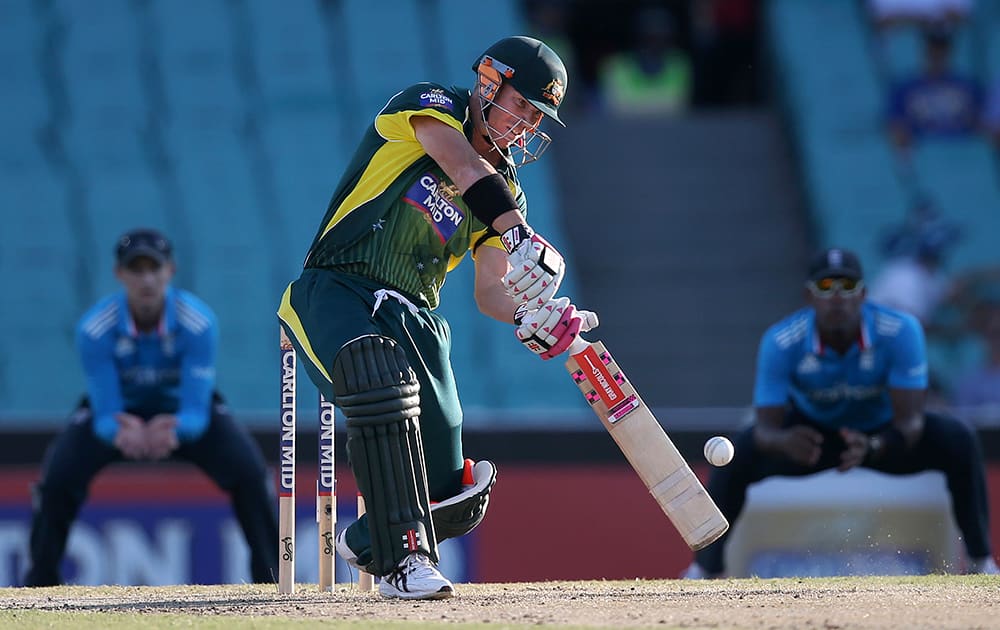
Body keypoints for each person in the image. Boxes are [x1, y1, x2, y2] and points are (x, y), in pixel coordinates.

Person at [276, 36, 592, 600]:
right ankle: (402, 561)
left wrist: (532, 314)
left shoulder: (508, 191)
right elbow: (460, 164)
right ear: (490, 83)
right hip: (336, 289)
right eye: (521, 105)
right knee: (378, 379)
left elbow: (491, 292)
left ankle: (372, 538)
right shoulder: (430, 106)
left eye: (536, 117)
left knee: (457, 496)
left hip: (415, 320)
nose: (525, 126)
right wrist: (515, 229)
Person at [683, 247, 998, 578]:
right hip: (811, 440)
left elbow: (912, 422)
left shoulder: (900, 331)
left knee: (959, 440)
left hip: (882, 437)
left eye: (846, 286)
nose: (836, 296)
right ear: (808, 295)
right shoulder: (782, 341)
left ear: (863, 294)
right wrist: (782, 442)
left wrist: (876, 446)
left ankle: (980, 562)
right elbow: (765, 429)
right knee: (739, 454)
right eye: (826, 286)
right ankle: (706, 570)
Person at [22, 229, 279, 587]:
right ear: (119, 275)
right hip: (119, 417)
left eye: (153, 269)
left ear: (169, 271)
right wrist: (120, 430)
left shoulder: (197, 322)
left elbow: (196, 408)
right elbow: (104, 408)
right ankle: (41, 583)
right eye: (135, 269)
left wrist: (175, 429)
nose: (146, 279)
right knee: (58, 478)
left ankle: (271, 579)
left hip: (181, 415)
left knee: (250, 474)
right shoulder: (95, 330)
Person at [886, 23, 983, 150]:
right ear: (925, 51)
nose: (937, 54)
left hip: (963, 151)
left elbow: (984, 124)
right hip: (922, 152)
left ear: (949, 51)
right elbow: (894, 124)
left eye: (941, 49)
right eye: (932, 49)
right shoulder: (904, 88)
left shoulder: (969, 87)